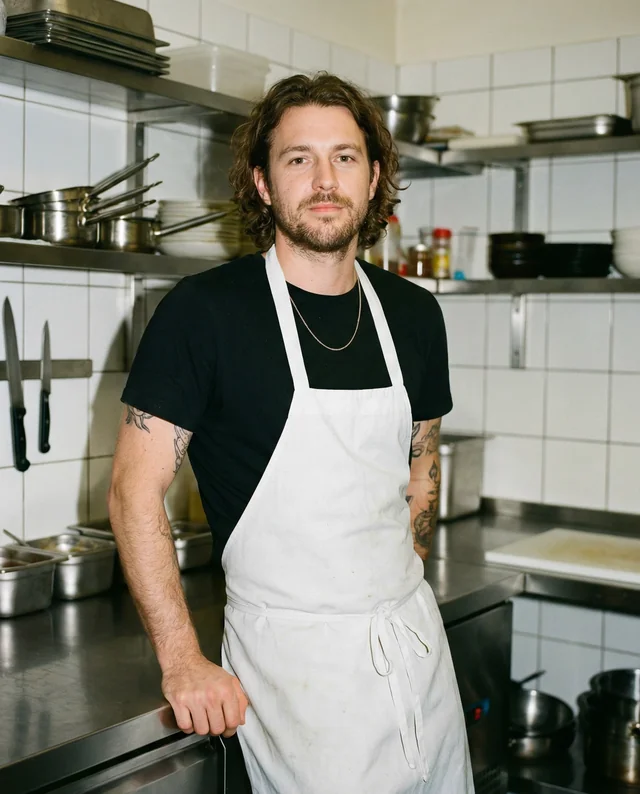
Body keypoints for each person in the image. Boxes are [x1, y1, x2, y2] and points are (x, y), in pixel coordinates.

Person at [109, 72, 473, 793]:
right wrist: (182, 659)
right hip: (296, 674)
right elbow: (132, 493)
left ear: (374, 179)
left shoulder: (413, 313)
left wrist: (397, 578)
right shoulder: (204, 313)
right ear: (264, 184)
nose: (325, 179)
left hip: (412, 649)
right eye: (298, 158)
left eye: (344, 157)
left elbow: (422, 459)